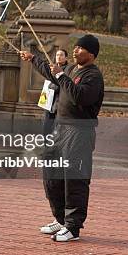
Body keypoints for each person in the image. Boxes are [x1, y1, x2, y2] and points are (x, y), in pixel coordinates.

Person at [20, 34, 104, 242]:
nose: (75, 51)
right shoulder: (71, 69)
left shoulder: (93, 76)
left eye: (80, 48)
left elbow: (80, 97)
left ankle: (73, 227)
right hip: (59, 130)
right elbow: (51, 72)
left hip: (79, 133)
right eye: (75, 47)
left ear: (91, 54)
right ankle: (60, 219)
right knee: (51, 175)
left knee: (74, 179)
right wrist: (33, 59)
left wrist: (62, 76)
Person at [42, 49, 69, 137]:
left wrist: (52, 86)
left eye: (61, 55)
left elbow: (60, 86)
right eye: (57, 55)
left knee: (56, 128)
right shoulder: (51, 68)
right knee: (46, 127)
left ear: (66, 57)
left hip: (59, 103)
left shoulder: (68, 70)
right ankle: (47, 146)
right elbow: (47, 84)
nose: (59, 57)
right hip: (48, 101)